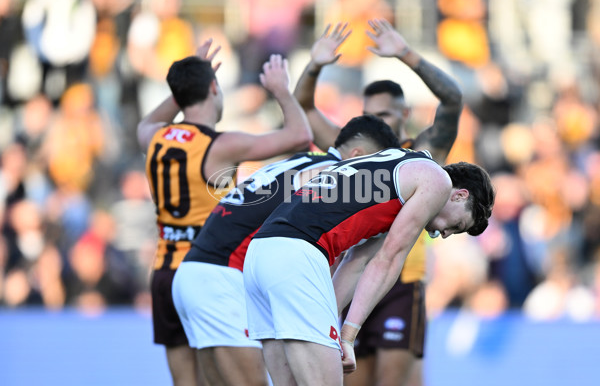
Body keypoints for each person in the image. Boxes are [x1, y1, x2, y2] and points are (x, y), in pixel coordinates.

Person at [293, 19, 464, 385]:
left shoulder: (423, 153)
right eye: (369, 114)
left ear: (404, 115)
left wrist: (406, 54)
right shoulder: (356, 149)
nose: (375, 121)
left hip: (402, 282)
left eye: (383, 114)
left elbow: (452, 99)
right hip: (353, 276)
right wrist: (314, 65)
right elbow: (304, 108)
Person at [172, 114, 400, 386]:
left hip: (193, 272)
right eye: (371, 163)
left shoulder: (294, 162)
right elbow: (304, 235)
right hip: (223, 276)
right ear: (357, 154)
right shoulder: (329, 172)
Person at [136, 39, 312, 386]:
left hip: (164, 272)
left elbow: (149, 119)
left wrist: (187, 84)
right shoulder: (220, 145)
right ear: (214, 88)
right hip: (210, 269)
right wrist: (280, 90)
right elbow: (300, 136)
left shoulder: (153, 137)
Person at [243, 148, 495, 386]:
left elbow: (357, 262)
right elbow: (389, 260)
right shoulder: (438, 182)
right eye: (457, 225)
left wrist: (331, 326)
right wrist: (347, 336)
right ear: (460, 194)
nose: (445, 234)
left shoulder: (401, 170)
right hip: (297, 253)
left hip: (260, 253)